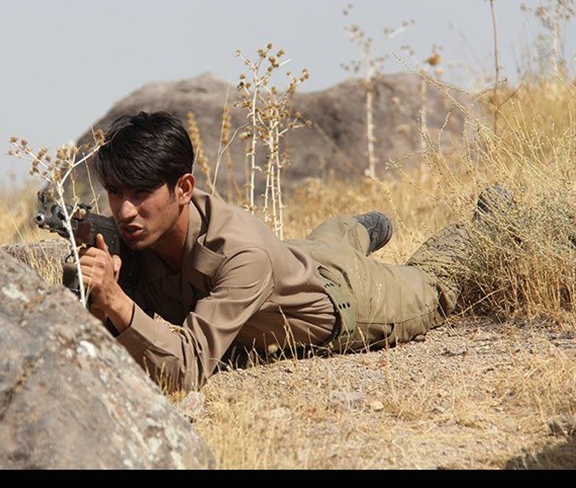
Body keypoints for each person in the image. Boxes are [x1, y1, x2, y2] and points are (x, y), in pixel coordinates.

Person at [77, 111, 473, 393]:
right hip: (294, 258)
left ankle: (487, 219)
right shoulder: (135, 236)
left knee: (436, 284)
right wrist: (90, 293)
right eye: (116, 193)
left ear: (183, 189)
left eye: (141, 193)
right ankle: (355, 230)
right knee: (320, 246)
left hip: (348, 299)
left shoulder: (241, 254)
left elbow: (187, 369)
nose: (125, 211)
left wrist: (115, 299)